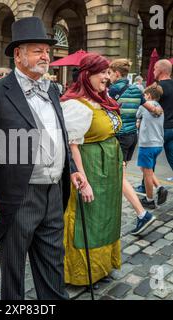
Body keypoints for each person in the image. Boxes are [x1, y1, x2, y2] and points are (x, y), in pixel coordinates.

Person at [0, 17, 85, 300]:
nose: (45, 56)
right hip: (17, 195)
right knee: (13, 270)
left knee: (52, 264)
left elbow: (58, 134)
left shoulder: (52, 90)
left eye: (47, 50)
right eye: (37, 50)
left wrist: (69, 169)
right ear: (18, 55)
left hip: (53, 192)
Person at [60, 53, 123, 286]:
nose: (107, 76)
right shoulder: (75, 104)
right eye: (103, 72)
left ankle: (103, 266)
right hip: (90, 167)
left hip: (109, 170)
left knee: (106, 218)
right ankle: (82, 273)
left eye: (108, 72)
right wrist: (83, 180)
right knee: (87, 218)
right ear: (87, 75)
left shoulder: (101, 99)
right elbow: (72, 145)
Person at [108, 59, 161, 234]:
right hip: (132, 138)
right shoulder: (136, 89)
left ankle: (142, 214)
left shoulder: (113, 90)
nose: (108, 77)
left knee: (120, 176)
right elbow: (149, 107)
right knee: (119, 172)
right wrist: (157, 110)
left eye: (109, 73)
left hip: (120, 137)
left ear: (116, 73)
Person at [135, 84, 167, 215]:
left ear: (148, 95)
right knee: (145, 169)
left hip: (147, 144)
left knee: (147, 173)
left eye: (144, 95)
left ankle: (149, 200)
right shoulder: (160, 107)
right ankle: (159, 188)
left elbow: (137, 115)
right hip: (158, 144)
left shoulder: (144, 106)